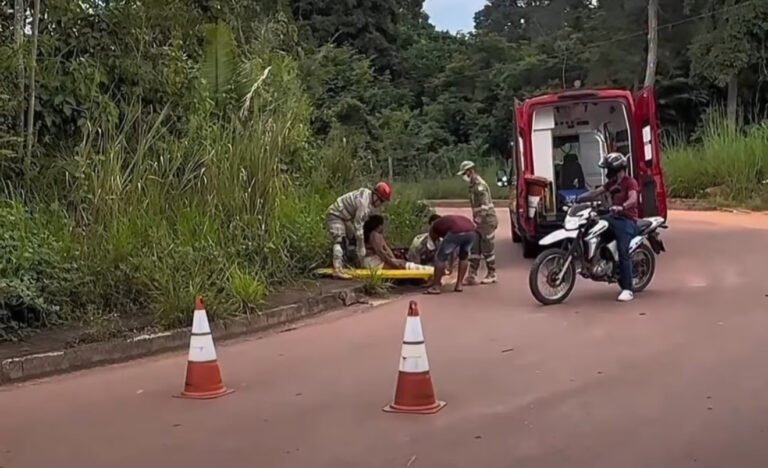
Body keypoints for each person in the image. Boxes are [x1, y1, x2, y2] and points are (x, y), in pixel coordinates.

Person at [576, 152, 639, 302]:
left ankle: (628, 289)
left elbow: (633, 199)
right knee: (591, 227)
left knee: (624, 252)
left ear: (617, 168)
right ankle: (594, 263)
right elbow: (597, 193)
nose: (606, 172)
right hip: (613, 218)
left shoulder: (630, 182)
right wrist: (578, 199)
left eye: (608, 169)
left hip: (627, 221)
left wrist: (622, 206)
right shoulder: (612, 183)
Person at [326, 182, 392, 279]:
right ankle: (337, 269)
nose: (380, 204)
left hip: (345, 217)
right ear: (376, 196)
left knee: (352, 240)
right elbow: (359, 229)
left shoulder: (367, 196)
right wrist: (361, 248)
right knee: (339, 240)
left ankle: (349, 261)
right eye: (381, 201)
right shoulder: (364, 204)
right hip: (336, 215)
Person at [457, 160, 498, 285]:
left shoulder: (480, 186)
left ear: (470, 171)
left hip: (486, 221)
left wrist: (480, 218)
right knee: (475, 248)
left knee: (487, 248)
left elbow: (485, 205)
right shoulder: (473, 186)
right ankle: (472, 275)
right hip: (478, 222)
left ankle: (492, 273)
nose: (464, 176)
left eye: (465, 173)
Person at [424, 214, 476, 295]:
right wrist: (450, 265)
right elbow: (452, 249)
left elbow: (433, 243)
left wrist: (438, 253)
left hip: (456, 230)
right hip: (471, 230)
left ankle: (436, 287)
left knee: (439, 258)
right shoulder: (446, 223)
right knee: (463, 257)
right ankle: (459, 285)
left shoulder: (434, 226)